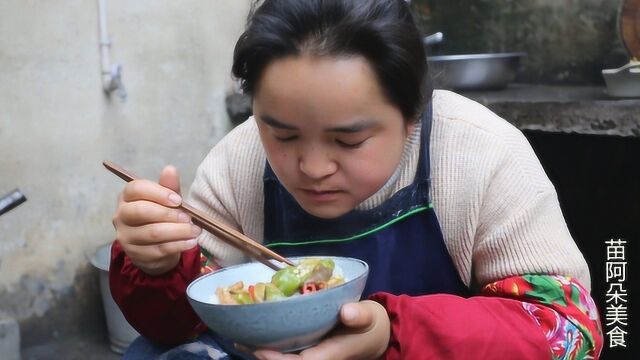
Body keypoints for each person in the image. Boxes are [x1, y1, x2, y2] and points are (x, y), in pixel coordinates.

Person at [109, 0, 603, 359]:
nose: (313, 168)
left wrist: (394, 335)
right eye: (281, 134)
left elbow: (567, 332)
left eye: (348, 142)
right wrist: (157, 267)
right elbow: (182, 324)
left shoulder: (480, 154)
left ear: (412, 115)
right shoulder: (237, 163)